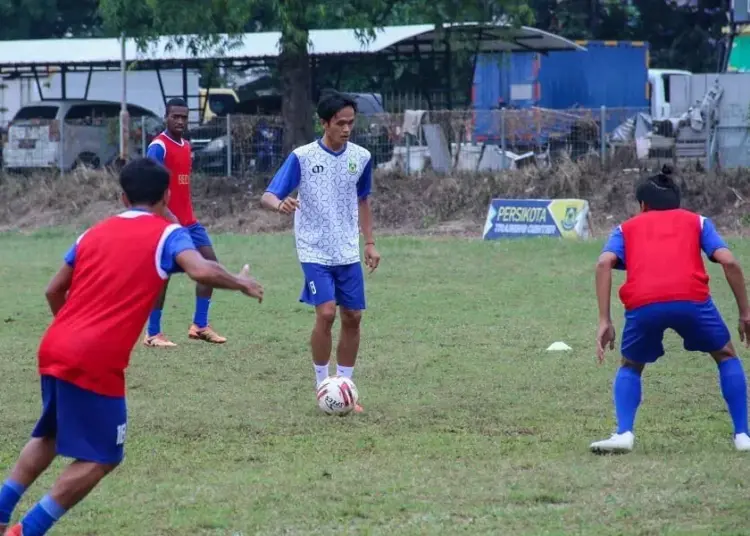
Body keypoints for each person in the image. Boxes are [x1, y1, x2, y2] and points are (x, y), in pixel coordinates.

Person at [0, 158, 263, 535]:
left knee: (51, 435)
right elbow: (201, 270)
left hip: (55, 344)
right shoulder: (168, 234)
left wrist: (71, 331)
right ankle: (27, 531)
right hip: (94, 358)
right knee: (103, 455)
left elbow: (53, 289)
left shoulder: (92, 232)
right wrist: (239, 281)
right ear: (167, 195)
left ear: (122, 196)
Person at [591, 165, 750, 453]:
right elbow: (729, 262)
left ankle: (624, 433)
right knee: (726, 354)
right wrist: (745, 313)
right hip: (692, 300)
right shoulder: (698, 222)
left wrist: (605, 319)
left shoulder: (625, 228)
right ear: (678, 202)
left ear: (642, 205)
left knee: (631, 364)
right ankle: (743, 436)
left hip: (643, 304)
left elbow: (604, 263)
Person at [260, 91, 381, 412]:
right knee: (326, 313)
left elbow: (364, 200)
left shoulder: (362, 157)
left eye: (351, 123)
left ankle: (345, 386)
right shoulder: (303, 157)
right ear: (324, 123)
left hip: (347, 251)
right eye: (340, 123)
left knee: (353, 317)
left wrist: (369, 242)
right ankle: (322, 386)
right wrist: (280, 204)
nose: (346, 129)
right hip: (314, 249)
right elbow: (269, 196)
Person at [144, 97, 227, 347]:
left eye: (184, 116)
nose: (180, 121)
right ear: (165, 117)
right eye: (175, 116)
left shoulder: (186, 145)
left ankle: (200, 325)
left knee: (210, 266)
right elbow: (150, 188)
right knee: (162, 276)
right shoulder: (158, 147)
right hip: (164, 224)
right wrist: (168, 216)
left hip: (190, 223)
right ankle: (152, 333)